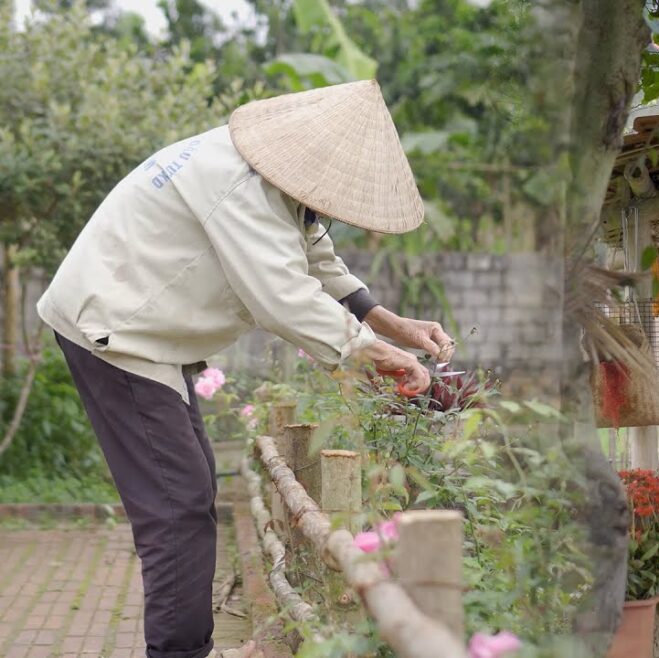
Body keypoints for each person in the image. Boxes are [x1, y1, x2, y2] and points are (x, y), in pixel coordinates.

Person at [36, 81, 452, 658]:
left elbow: (314, 258)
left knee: (191, 491)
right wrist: (385, 356)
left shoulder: (271, 178)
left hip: (143, 332)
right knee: (176, 507)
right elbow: (283, 296)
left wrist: (390, 323)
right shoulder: (239, 186)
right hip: (115, 331)